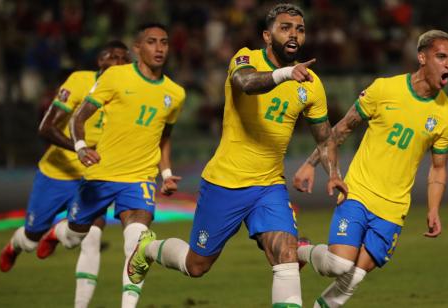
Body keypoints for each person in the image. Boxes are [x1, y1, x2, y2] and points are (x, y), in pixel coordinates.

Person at [127, 4, 347, 308]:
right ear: (267, 36)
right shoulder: (245, 58)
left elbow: (324, 139)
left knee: (285, 256)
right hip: (225, 183)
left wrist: (333, 173)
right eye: (285, 28)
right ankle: (148, 249)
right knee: (196, 265)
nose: (294, 34)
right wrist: (286, 74)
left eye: (300, 28)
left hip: (269, 186)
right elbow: (245, 83)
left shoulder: (312, 85)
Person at [292, 30, 448, 307]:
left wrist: (433, 208)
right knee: (337, 265)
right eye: (441, 57)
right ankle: (300, 250)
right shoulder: (384, 89)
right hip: (359, 191)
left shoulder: (446, 114)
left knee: (354, 277)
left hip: (394, 207)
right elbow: (342, 128)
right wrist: (310, 164)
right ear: (421, 57)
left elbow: (438, 168)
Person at [36, 22, 185, 308]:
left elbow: (164, 136)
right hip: (101, 174)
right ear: (137, 48)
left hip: (139, 177)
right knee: (75, 235)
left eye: (164, 42)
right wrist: (80, 147)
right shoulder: (115, 76)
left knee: (137, 243)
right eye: (152, 42)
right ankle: (57, 233)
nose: (159, 48)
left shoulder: (175, 93)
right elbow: (78, 117)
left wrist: (164, 172)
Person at [0, 40, 130, 307]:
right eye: (111, 56)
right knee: (32, 239)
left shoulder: (128, 91)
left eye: (122, 58)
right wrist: (80, 149)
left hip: (93, 177)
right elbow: (46, 128)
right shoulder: (80, 81)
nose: (117, 61)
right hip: (56, 172)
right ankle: (16, 244)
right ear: (99, 61)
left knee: (89, 239)